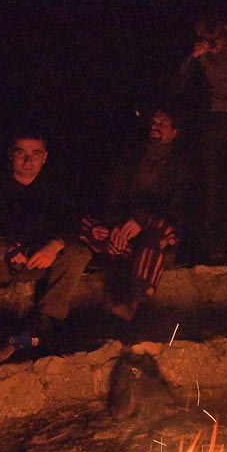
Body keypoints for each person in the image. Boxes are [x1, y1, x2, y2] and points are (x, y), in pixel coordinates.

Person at [0, 132, 91, 364]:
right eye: (21, 153)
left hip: (38, 261)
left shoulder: (55, 189)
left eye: (35, 154)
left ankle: (45, 322)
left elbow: (72, 223)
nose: (28, 161)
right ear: (10, 155)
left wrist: (54, 245)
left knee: (79, 252)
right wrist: (5, 246)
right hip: (4, 263)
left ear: (45, 157)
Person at [79, 108, 198, 321]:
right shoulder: (131, 157)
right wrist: (116, 225)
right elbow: (114, 196)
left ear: (174, 132)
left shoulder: (181, 164)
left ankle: (133, 303)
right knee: (90, 226)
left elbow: (178, 206)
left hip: (159, 226)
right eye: (153, 121)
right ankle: (119, 249)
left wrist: (142, 220)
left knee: (154, 237)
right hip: (126, 225)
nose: (155, 126)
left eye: (162, 123)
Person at [173, 10, 227, 265]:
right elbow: (179, 85)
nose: (212, 45)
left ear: (225, 29)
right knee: (210, 185)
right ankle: (214, 246)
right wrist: (193, 58)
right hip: (210, 120)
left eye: (215, 39)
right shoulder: (200, 54)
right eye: (205, 39)